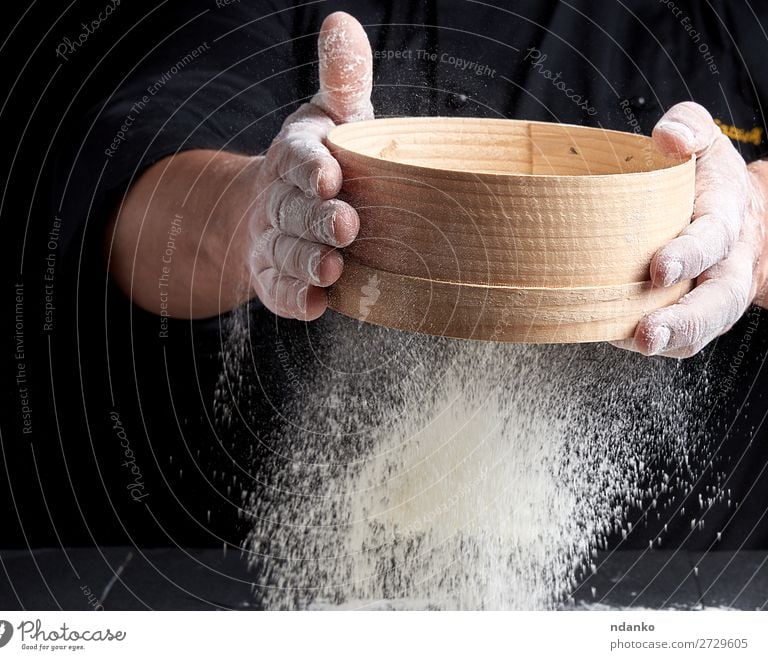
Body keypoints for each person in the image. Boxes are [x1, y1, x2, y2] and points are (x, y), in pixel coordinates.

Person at [54, 0, 768, 553]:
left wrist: (754, 222)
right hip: (263, 570)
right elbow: (123, 203)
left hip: (684, 590)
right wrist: (261, 216)